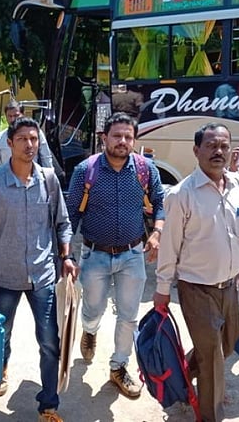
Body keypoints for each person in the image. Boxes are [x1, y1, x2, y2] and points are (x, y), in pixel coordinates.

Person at [0, 117, 76, 422]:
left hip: (43, 277)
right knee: (4, 334)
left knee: (50, 340)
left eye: (34, 139)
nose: (29, 145)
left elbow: (63, 224)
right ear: (9, 144)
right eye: (23, 139)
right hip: (4, 278)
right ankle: (1, 367)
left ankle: (48, 404)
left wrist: (66, 256)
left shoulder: (48, 180)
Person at [153, 123, 239, 422]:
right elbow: (169, 246)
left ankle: (182, 378)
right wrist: (162, 289)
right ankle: (209, 414)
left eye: (223, 145)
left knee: (227, 343)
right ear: (196, 151)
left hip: (230, 285)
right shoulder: (182, 194)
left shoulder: (237, 185)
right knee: (212, 360)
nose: (218, 151)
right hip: (196, 288)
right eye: (211, 145)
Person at [65, 112, 165, 398]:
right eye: (117, 135)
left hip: (133, 254)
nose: (122, 141)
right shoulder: (86, 170)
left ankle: (119, 366)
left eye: (128, 137)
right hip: (94, 255)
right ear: (104, 138)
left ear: (134, 140)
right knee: (92, 309)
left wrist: (156, 232)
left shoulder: (146, 170)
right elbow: (72, 215)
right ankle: (90, 330)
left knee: (128, 316)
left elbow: (159, 203)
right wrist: (67, 254)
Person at [0, 100, 54, 169]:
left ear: (23, 114)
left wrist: (49, 176)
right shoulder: (0, 138)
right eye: (9, 116)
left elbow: (46, 157)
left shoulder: (36, 133)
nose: (12, 119)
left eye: (16, 115)